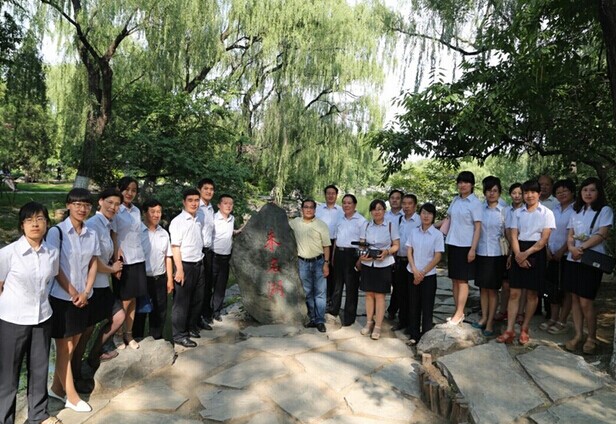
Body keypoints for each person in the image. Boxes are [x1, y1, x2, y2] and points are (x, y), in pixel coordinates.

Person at [0, 202, 62, 424]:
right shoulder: (7, 253)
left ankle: (38, 415)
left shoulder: (52, 253)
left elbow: (50, 280)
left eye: (40, 219)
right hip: (12, 321)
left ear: (47, 223)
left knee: (39, 370)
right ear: (22, 225)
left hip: (42, 318)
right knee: (8, 375)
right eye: (29, 220)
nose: (35, 224)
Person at [47, 188, 99, 412]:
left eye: (86, 205)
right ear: (68, 205)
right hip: (62, 298)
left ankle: (56, 388)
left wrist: (86, 291)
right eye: (77, 204)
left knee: (74, 344)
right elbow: (55, 266)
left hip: (84, 297)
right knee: (64, 347)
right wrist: (73, 292)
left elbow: (93, 263)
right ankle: (72, 397)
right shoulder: (57, 232)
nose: (82, 209)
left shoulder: (91, 233)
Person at [497, 180, 555, 345]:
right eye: (526, 192)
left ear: (539, 194)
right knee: (514, 293)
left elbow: (544, 239)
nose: (529, 196)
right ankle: (509, 330)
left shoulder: (547, 213)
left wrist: (525, 254)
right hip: (518, 249)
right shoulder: (518, 213)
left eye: (533, 192)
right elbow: (513, 235)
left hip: (536, 252)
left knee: (531, 294)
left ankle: (525, 328)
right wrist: (517, 255)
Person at [76, 189, 125, 381]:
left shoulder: (107, 224)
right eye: (110, 202)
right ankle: (76, 373)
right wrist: (112, 269)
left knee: (118, 316)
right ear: (101, 202)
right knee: (86, 330)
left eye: (117, 204)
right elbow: (93, 260)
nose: (113, 207)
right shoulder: (93, 225)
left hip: (103, 284)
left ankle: (93, 355)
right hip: (91, 285)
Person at [563, 177, 613, 354]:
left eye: (592, 190)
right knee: (575, 298)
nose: (588, 193)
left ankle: (592, 337)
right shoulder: (576, 211)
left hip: (591, 260)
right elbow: (570, 234)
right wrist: (571, 248)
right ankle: (578, 335)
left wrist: (581, 248)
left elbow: (602, 234)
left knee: (586, 300)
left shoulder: (604, 210)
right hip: (573, 259)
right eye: (585, 190)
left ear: (598, 192)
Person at [111, 176, 148, 350]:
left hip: (138, 258)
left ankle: (129, 334)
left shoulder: (136, 211)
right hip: (124, 261)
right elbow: (113, 236)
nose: (130, 193)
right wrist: (116, 260)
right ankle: (117, 335)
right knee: (124, 300)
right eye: (126, 189)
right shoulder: (116, 210)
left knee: (133, 299)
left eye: (133, 190)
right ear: (119, 189)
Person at [443, 171, 482, 325]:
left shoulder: (475, 203)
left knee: (462, 280)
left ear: (472, 185)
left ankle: (459, 313)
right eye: (460, 182)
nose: (463, 185)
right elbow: (448, 220)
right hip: (452, 243)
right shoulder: (455, 200)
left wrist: (473, 249)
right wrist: (430, 226)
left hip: (466, 245)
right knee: (454, 279)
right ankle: (458, 310)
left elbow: (478, 228)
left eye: (466, 182)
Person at [358, 199, 400, 340]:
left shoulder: (390, 225)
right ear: (371, 211)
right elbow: (362, 244)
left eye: (380, 209)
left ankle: (378, 326)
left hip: (384, 264)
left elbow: (396, 245)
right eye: (374, 209)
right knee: (369, 294)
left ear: (384, 211)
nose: (377, 212)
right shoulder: (366, 225)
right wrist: (362, 255)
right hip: (368, 264)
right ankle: (369, 322)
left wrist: (387, 252)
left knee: (380, 296)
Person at [133, 199, 174, 340]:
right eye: (153, 212)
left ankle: (156, 338)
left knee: (160, 311)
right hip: (142, 279)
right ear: (144, 213)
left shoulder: (163, 233)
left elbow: (168, 257)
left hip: (160, 278)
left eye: (159, 212)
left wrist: (169, 279)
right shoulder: (137, 232)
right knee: (140, 311)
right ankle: (137, 338)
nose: (156, 215)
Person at [169, 188, 205, 348]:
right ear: (184, 202)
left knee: (197, 299)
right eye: (190, 200)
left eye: (196, 200)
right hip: (185, 265)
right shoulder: (178, 222)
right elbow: (175, 247)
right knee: (181, 303)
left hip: (199, 263)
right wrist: (179, 269)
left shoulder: (198, 219)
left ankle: (191, 327)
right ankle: (179, 335)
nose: (194, 203)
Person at [289, 199, 332, 332]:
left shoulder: (321, 225)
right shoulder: (295, 223)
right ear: (302, 209)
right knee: (307, 292)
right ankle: (312, 318)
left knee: (320, 293)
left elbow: (326, 246)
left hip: (319, 262)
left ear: (315, 210)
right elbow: (279, 227)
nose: (308, 209)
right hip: (302, 262)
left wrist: (326, 263)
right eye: (306, 207)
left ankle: (320, 320)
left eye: (311, 207)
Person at [472, 177, 507, 337]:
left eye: (495, 190)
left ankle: (491, 322)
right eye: (488, 190)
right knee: (483, 288)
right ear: (484, 192)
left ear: (499, 192)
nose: (491, 193)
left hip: (497, 254)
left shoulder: (505, 210)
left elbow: (509, 233)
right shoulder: (480, 208)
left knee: (493, 290)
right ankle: (484, 317)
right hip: (481, 253)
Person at [406, 202, 444, 345]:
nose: (426, 216)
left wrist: (422, 273)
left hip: (428, 276)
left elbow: (437, 256)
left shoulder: (437, 234)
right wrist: (414, 270)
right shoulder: (414, 232)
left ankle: (426, 337)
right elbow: (409, 251)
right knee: (413, 305)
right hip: (412, 272)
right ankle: (414, 335)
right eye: (423, 213)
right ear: (420, 214)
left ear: (433, 216)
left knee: (427, 307)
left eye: (429, 213)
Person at [541, 179, 575, 335]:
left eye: (565, 191)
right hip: (551, 254)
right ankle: (553, 318)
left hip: (568, 255)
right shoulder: (554, 209)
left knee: (567, 289)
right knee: (552, 288)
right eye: (558, 192)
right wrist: (547, 249)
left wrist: (563, 250)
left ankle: (562, 320)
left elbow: (574, 233)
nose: (561, 194)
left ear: (572, 192)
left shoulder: (576, 210)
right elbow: (547, 230)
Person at [331, 194, 367, 326]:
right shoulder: (340, 219)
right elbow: (336, 239)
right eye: (344, 203)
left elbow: (363, 242)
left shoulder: (361, 221)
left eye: (349, 203)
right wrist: (333, 256)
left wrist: (360, 260)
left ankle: (349, 317)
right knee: (337, 285)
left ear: (354, 205)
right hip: (339, 254)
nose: (346, 205)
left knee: (351, 287)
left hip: (353, 255)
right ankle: (334, 310)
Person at [495, 183, 523, 322]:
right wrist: (510, 248)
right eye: (514, 193)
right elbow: (505, 230)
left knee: (520, 285)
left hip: (522, 250)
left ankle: (520, 313)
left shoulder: (526, 210)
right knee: (505, 284)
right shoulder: (505, 210)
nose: (517, 196)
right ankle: (503, 310)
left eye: (520, 193)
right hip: (507, 250)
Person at [393, 194, 420, 332]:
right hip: (400, 260)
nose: (406, 206)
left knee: (413, 294)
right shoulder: (400, 219)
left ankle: (412, 323)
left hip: (414, 262)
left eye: (409, 203)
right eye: (404, 203)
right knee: (400, 293)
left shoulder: (419, 221)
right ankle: (402, 321)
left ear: (415, 205)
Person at [316, 184, 343, 314]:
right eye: (328, 193)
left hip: (335, 243)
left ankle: (332, 299)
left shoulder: (342, 210)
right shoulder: (319, 209)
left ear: (336, 195)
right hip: (320, 243)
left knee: (334, 271)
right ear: (325, 195)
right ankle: (321, 298)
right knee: (321, 270)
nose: (330, 195)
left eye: (333, 193)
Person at [210, 194, 236, 322]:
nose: (228, 206)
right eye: (225, 203)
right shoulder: (213, 218)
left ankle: (216, 311)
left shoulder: (232, 219)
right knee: (209, 285)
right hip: (213, 256)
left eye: (230, 204)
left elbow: (229, 233)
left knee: (221, 286)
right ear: (219, 205)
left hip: (226, 257)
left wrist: (238, 231)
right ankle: (206, 313)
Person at [197, 178, 215, 330]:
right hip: (198, 251)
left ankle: (203, 316)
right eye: (206, 189)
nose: (209, 191)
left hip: (209, 251)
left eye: (211, 189)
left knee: (207, 285)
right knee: (198, 287)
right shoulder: (196, 207)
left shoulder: (210, 208)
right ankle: (195, 319)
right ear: (199, 190)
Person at [385, 189, 404, 321]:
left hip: (402, 254)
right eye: (392, 198)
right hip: (386, 254)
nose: (395, 200)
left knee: (399, 285)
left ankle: (394, 310)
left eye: (397, 198)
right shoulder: (385, 215)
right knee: (385, 282)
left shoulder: (407, 216)